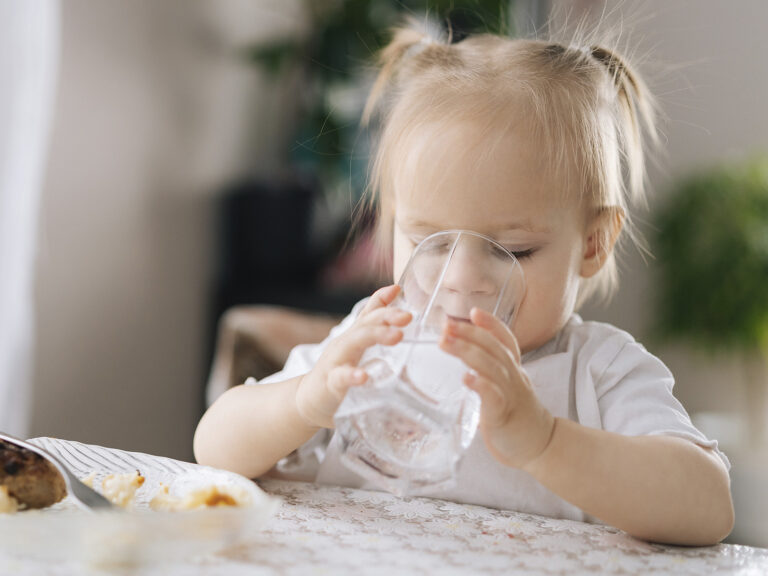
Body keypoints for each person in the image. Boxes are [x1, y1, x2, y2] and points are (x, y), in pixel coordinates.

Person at [194, 22, 734, 545]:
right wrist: (305, 402)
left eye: (515, 250)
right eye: (428, 240)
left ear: (593, 242)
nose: (461, 280)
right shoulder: (374, 341)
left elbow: (708, 506)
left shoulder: (599, 373)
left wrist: (544, 440)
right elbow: (213, 447)